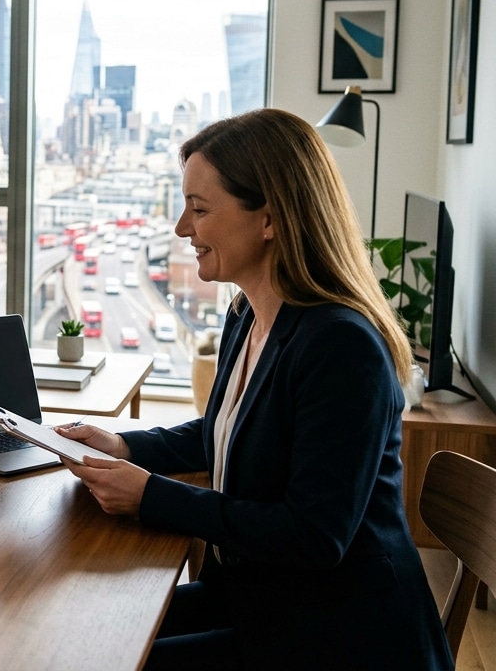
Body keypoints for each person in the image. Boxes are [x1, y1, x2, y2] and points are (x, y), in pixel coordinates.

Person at [56, 109, 452, 669]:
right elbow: (224, 433)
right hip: (260, 599)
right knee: (82, 631)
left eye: (199, 209)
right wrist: (125, 447)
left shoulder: (342, 348)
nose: (181, 229)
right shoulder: (248, 314)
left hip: (339, 634)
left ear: (269, 218)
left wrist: (150, 496)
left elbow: (314, 537)